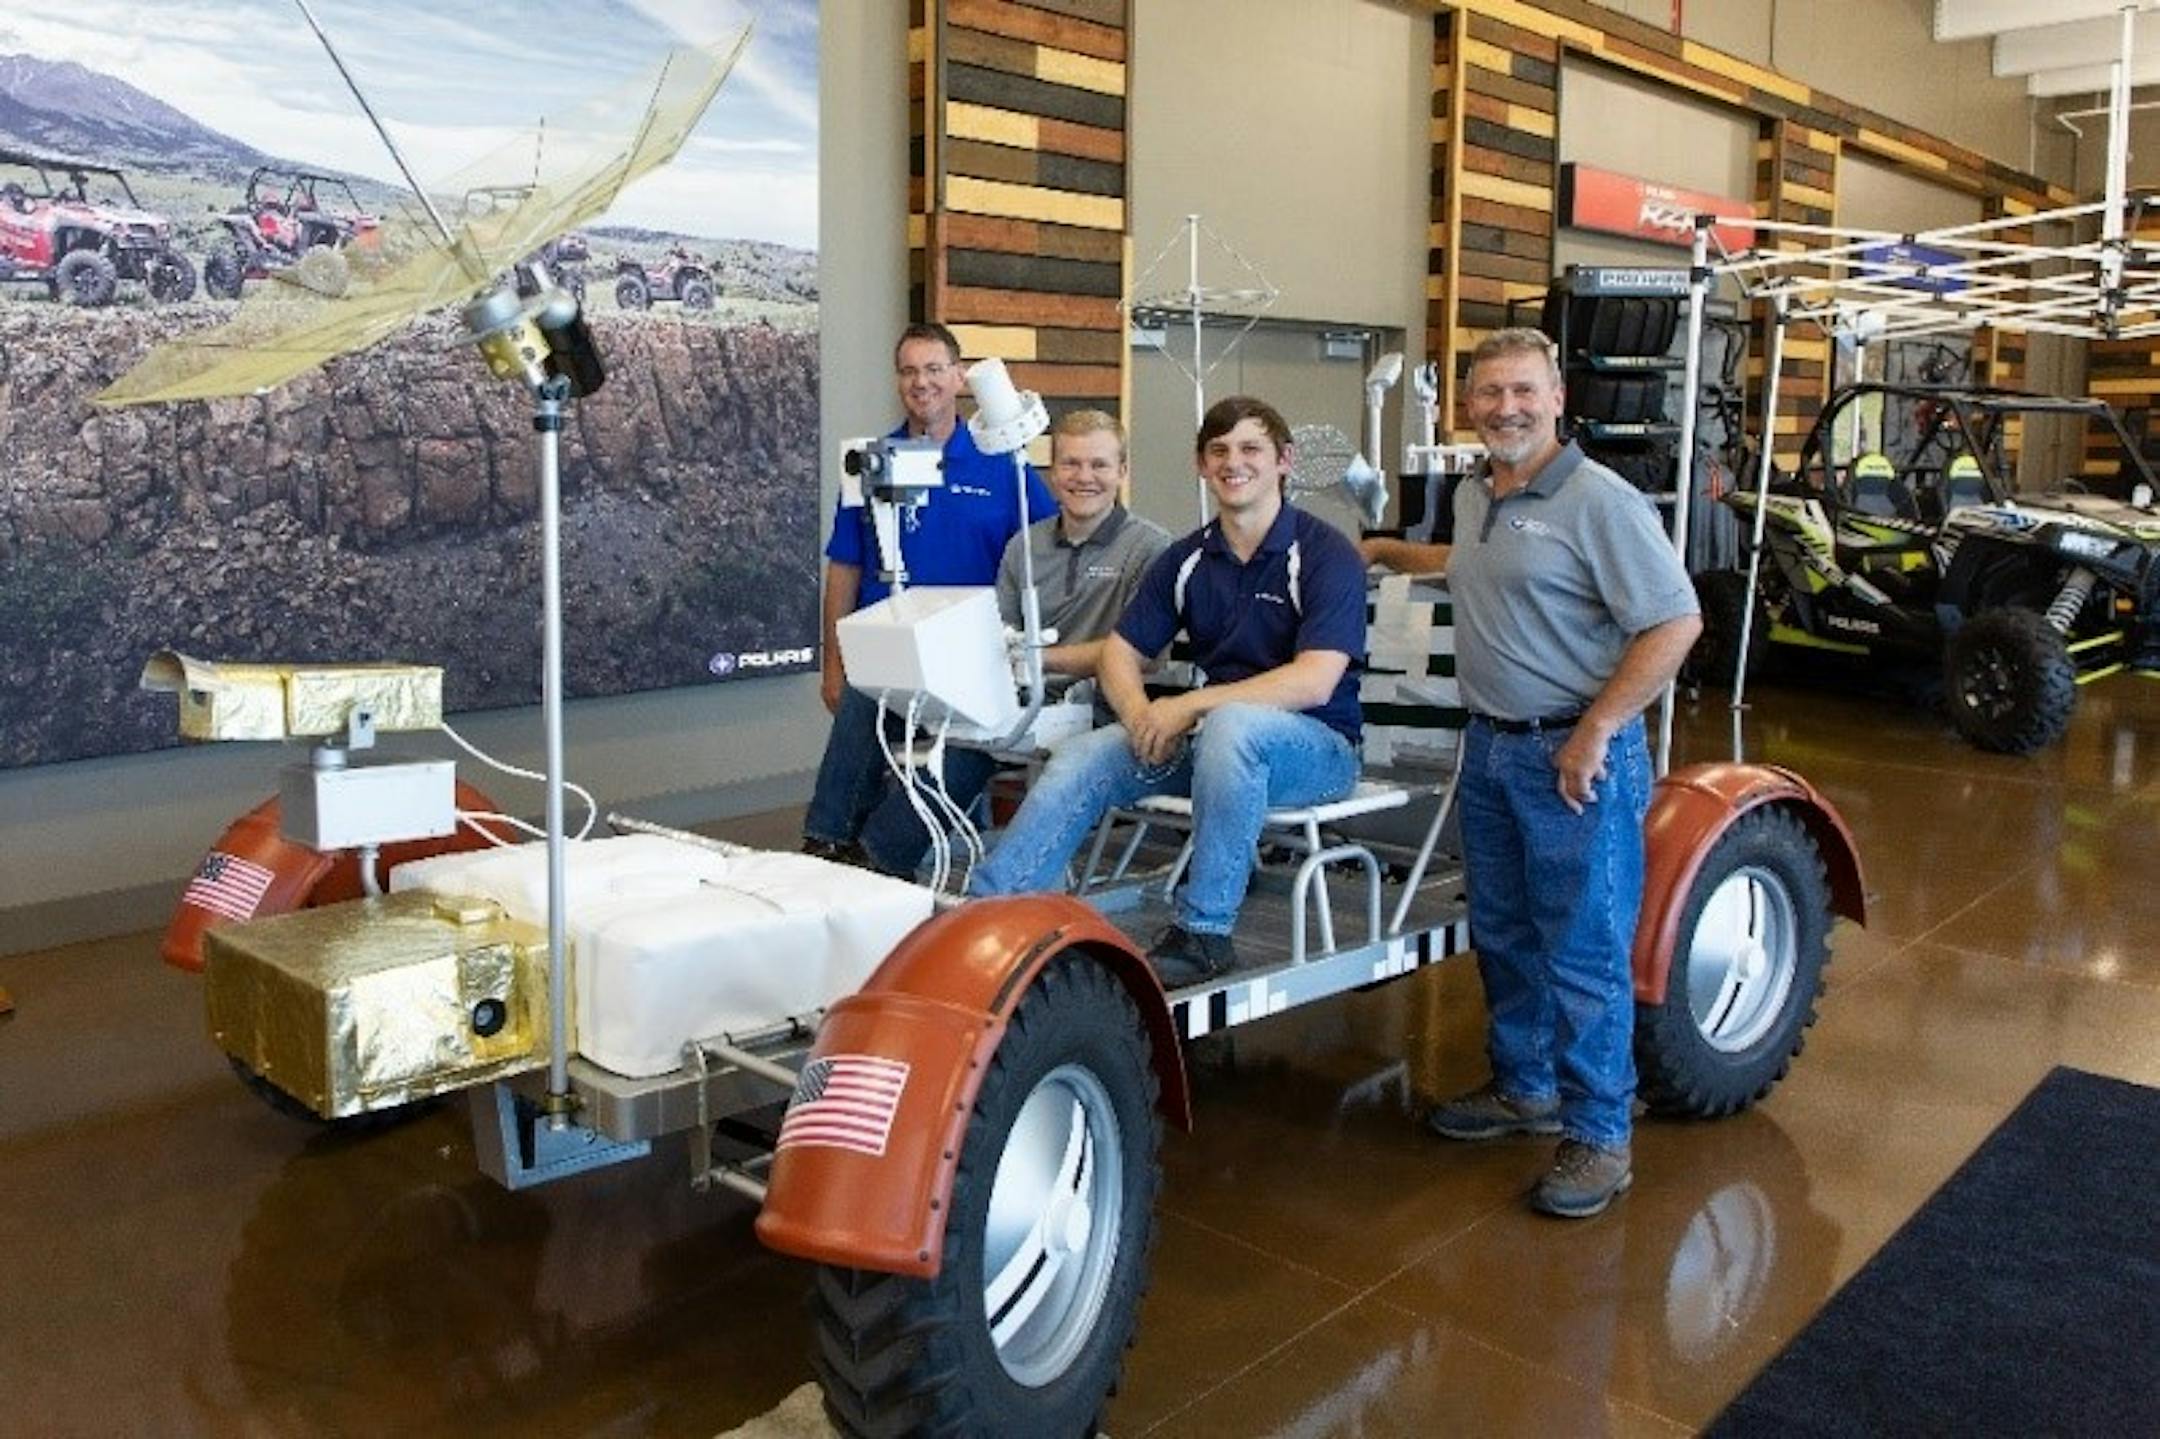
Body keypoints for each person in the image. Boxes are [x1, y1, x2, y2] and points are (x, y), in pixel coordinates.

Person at [1365, 329, 1700, 1220]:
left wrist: (1596, 730)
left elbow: (1674, 623)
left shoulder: (1601, 500)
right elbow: (1473, 569)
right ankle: (1526, 1087)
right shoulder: (1483, 494)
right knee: (1506, 933)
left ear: (1558, 399)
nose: (1504, 407)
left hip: (1571, 760)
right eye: (1488, 394)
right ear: (1469, 406)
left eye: (1522, 391)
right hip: (1492, 752)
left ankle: (1599, 1135)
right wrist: (1383, 552)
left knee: (1584, 949)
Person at [971, 396, 1368, 987]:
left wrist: (1184, 705)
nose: (1234, 463)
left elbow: (1314, 681)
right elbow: (1119, 654)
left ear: (1284, 460)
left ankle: (1204, 933)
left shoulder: (1325, 553)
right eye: (1220, 451)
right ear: (1201, 466)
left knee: (1234, 725)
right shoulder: (1187, 560)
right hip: (1214, 745)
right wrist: (1137, 716)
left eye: (1251, 449)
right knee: (1088, 752)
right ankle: (988, 914)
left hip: (1318, 751)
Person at [853, 409, 1171, 878]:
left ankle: (971, 883)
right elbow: (996, 635)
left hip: (1103, 707)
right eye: (1071, 464)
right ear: (1052, 471)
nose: (1084, 477)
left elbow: (1146, 656)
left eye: (1099, 465)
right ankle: (871, 862)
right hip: (1020, 701)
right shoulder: (1025, 545)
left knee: (981, 741)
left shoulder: (1150, 548)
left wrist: (1040, 660)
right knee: (936, 732)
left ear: (1122, 471)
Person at [803, 323, 1054, 864]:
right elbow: (844, 568)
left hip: (971, 657)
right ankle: (826, 844)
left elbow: (1049, 551)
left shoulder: (1001, 460)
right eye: (910, 371)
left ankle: (874, 855)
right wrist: (832, 668)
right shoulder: (870, 462)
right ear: (898, 381)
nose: (922, 383)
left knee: (953, 747)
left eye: (935, 369)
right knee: (863, 705)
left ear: (959, 376)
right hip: (887, 656)